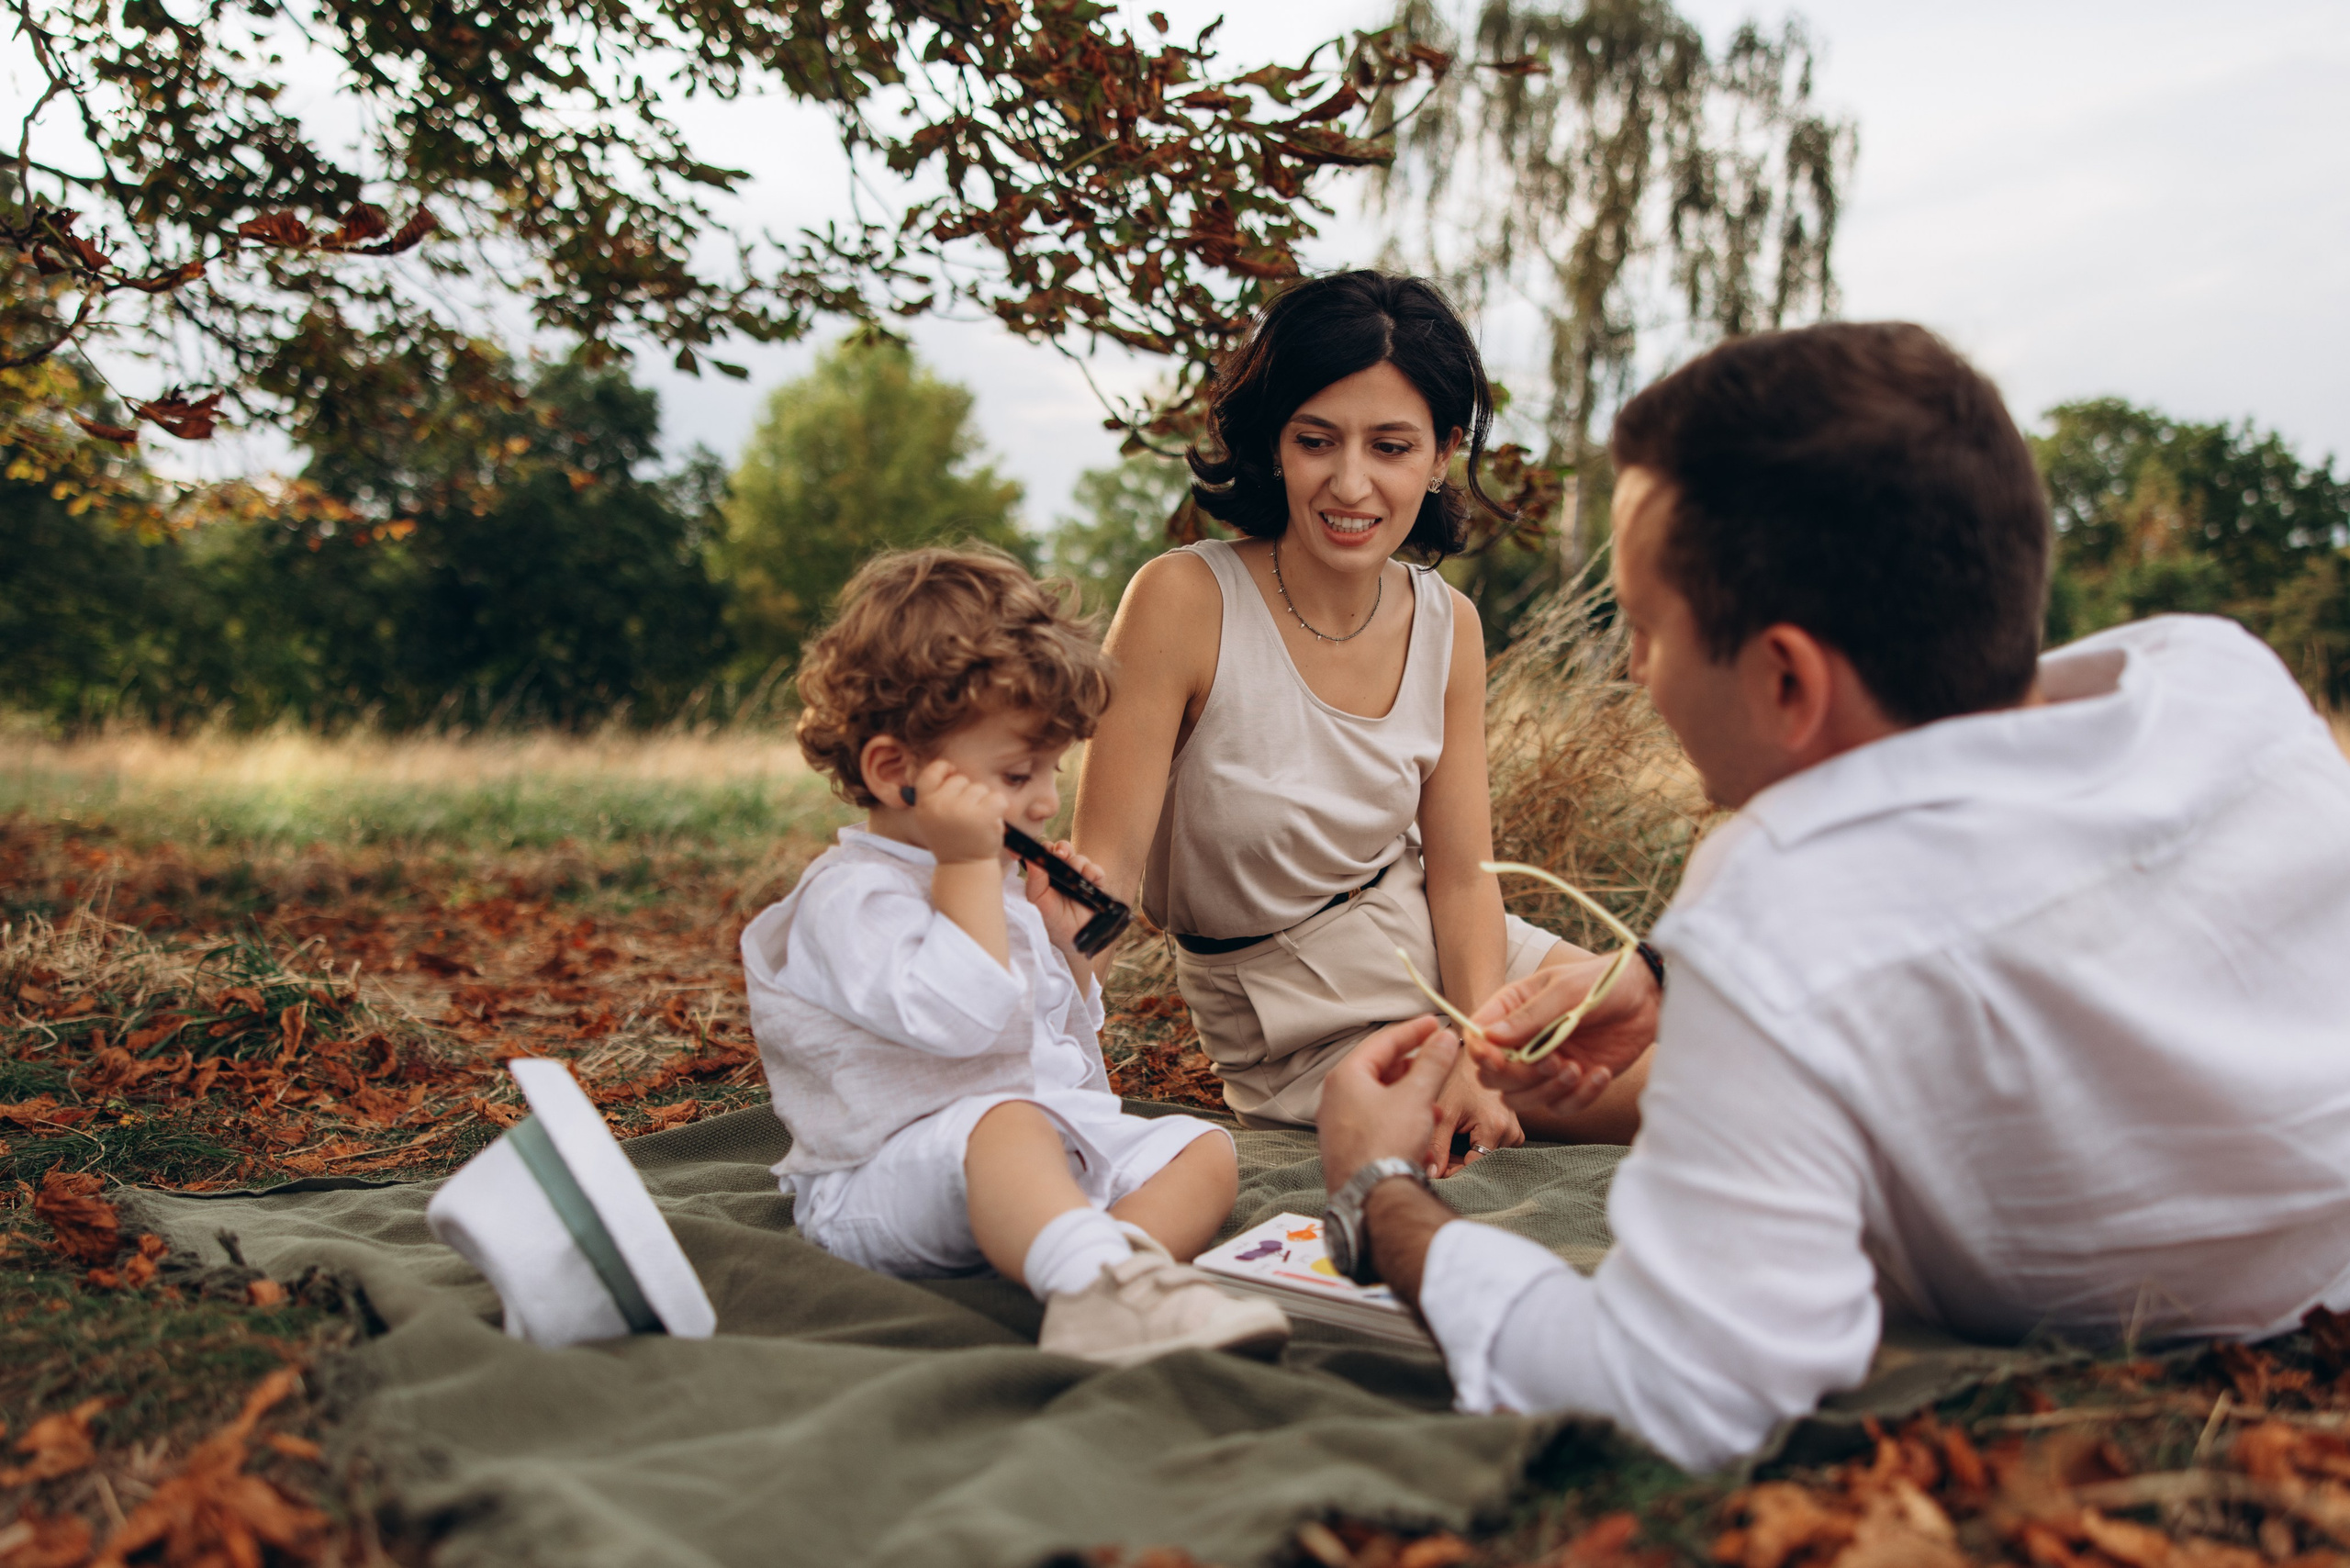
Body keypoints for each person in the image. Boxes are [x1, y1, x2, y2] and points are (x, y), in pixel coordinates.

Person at [1314, 320, 2350, 1471]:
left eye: (1649, 632)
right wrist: (1665, 973)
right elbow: (1986, 803)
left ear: (1786, 677)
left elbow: (1672, 1389)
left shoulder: (1784, 913)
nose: (1634, 673)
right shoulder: (2218, 677)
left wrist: (1379, 1196)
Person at [1072, 271, 1642, 1171]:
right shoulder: (1181, 599)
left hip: (1458, 962)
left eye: (1389, 445)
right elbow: (1095, 876)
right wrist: (1025, 1067)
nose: (1351, 482)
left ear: (1442, 451)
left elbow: (1460, 879)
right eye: (1316, 440)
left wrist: (1481, 1051)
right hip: (1294, 1006)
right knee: (1682, 1105)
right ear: (1273, 445)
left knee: (1709, 1049)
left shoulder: (1447, 623)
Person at [740, 547, 1290, 1367]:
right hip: (889, 1182)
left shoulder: (992, 879)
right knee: (1007, 1123)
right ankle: (1098, 1280)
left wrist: (1067, 952)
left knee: (1200, 1151)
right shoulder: (850, 899)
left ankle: (1104, 1276)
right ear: (897, 772)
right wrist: (966, 873)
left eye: (1052, 769)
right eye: (1016, 771)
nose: (1043, 799)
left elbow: (1046, 1044)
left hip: (1023, 1155)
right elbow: (966, 1024)